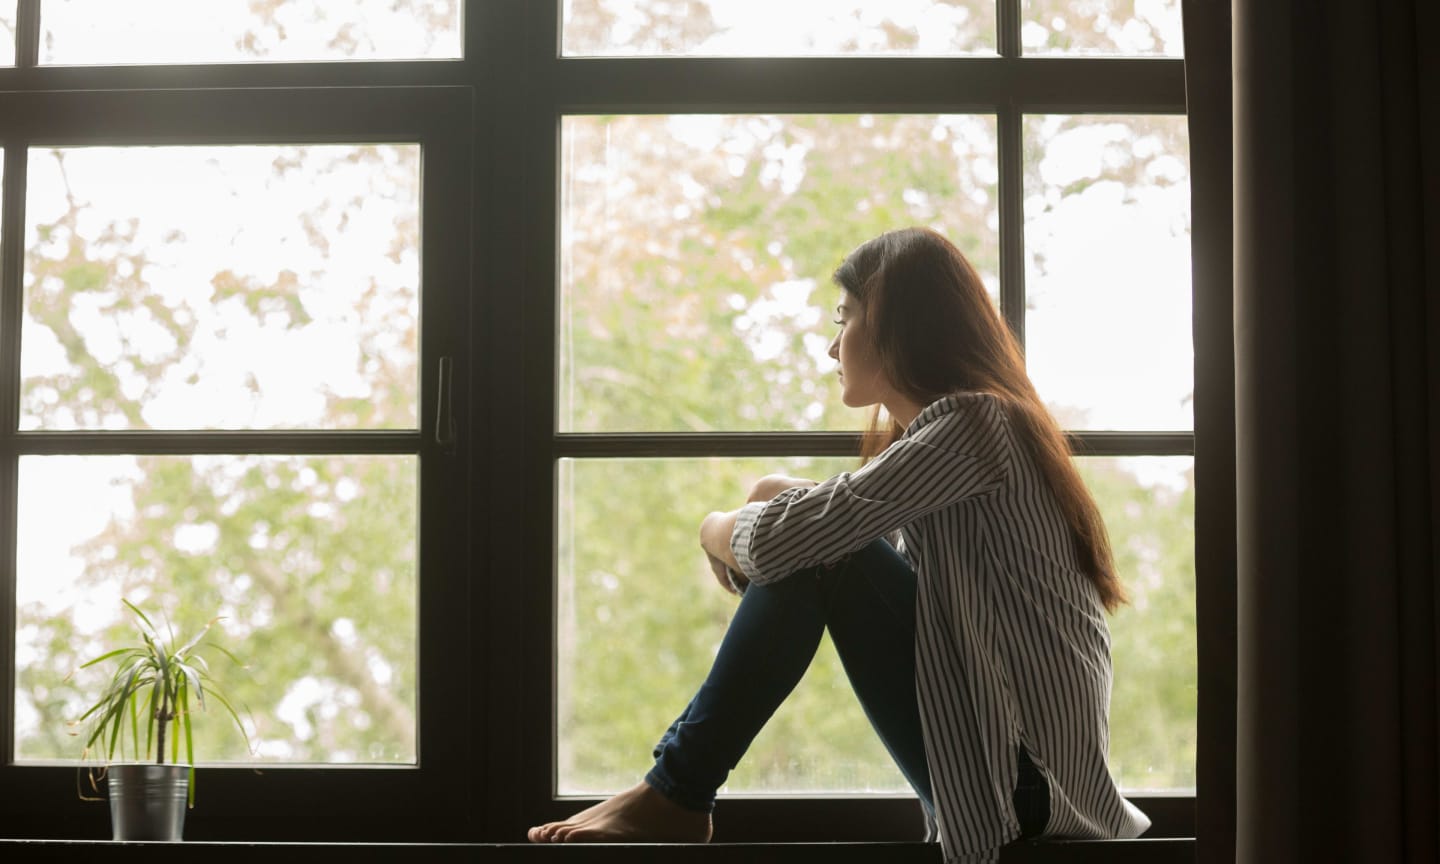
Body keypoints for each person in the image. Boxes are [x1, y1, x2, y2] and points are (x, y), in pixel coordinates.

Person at [528, 227, 1152, 862]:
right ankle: (672, 792)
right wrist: (773, 492)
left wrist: (712, 528)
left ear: (892, 323)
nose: (832, 346)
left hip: (1024, 793)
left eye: (844, 318)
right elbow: (845, 530)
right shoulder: (976, 437)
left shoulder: (976, 424)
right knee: (816, 540)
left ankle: (676, 792)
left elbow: (796, 543)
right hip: (1014, 784)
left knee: (820, 550)